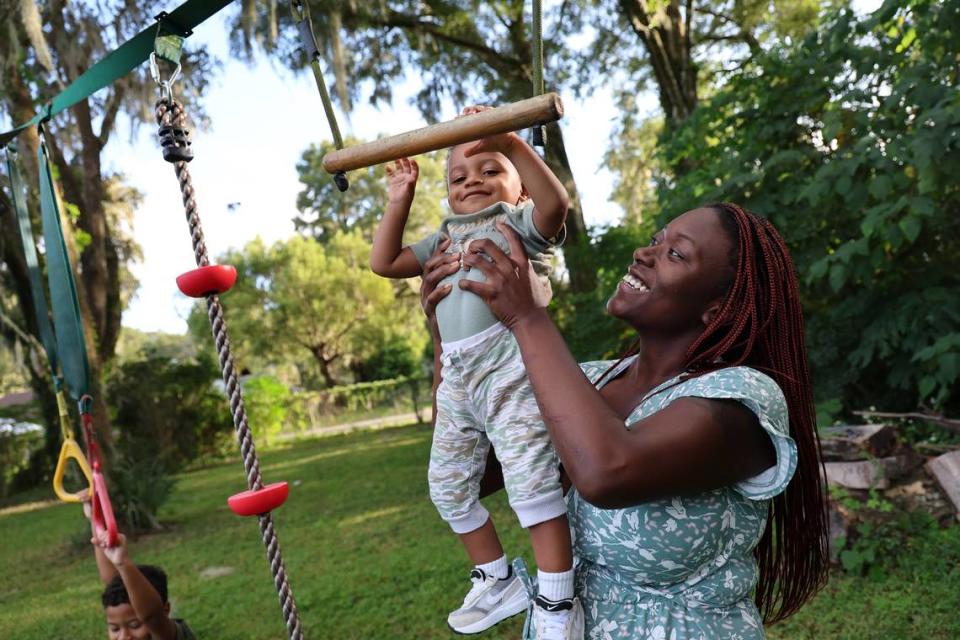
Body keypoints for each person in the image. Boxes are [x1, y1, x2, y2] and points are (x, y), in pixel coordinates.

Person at [419, 202, 830, 638]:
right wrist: (453, 336)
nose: (643, 252)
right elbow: (475, 472)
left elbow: (606, 472)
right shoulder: (588, 381)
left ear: (716, 308)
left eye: (676, 254)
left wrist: (527, 318)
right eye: (656, 239)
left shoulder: (740, 400)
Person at [370, 106, 583, 638]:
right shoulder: (441, 238)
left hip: (509, 365)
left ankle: (558, 599)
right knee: (445, 487)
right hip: (460, 376)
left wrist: (511, 142)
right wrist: (400, 197)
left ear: (519, 189)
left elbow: (556, 205)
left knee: (530, 482)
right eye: (459, 177)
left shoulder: (519, 224)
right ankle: (496, 578)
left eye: (491, 170)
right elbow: (384, 261)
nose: (473, 182)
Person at [83, 498, 195, 640]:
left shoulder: (167, 634)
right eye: (114, 628)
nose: (124, 637)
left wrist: (122, 563)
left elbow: (151, 616)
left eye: (135, 625)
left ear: (165, 610)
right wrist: (96, 518)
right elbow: (110, 579)